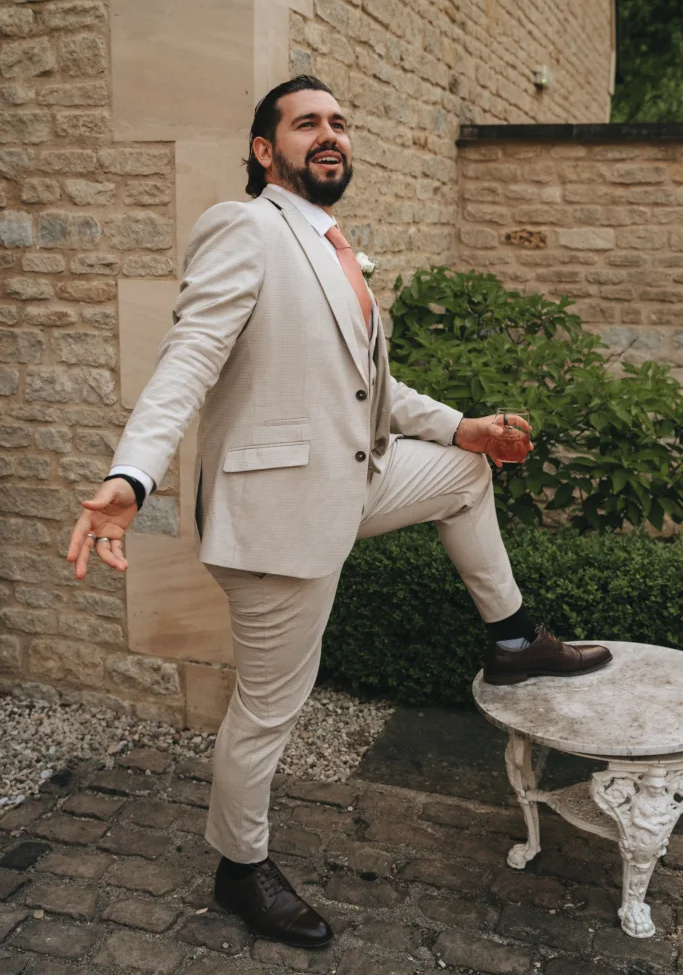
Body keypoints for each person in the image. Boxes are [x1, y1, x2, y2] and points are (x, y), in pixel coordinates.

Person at [66, 75, 612, 949]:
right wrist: (132, 478)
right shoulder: (244, 227)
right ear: (264, 150)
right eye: (306, 123)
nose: (330, 134)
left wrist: (464, 427)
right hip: (277, 516)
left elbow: (373, 391)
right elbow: (186, 363)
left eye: (339, 123)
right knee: (269, 711)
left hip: (347, 482)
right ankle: (240, 867)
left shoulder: (332, 248)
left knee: (464, 475)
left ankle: (512, 639)